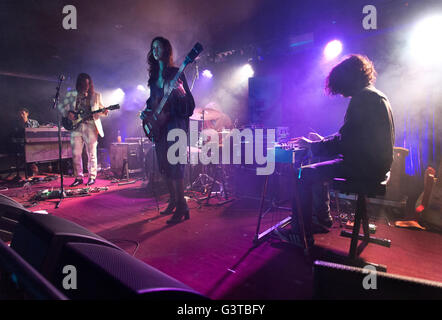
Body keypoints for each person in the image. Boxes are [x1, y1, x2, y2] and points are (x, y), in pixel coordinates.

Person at [277, 54, 395, 247]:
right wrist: (323, 141)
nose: (340, 93)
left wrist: (315, 145)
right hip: (374, 165)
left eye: (341, 85)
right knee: (317, 168)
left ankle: (300, 235)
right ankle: (321, 221)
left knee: (302, 174)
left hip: (365, 168)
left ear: (349, 79)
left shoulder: (362, 99)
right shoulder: (375, 95)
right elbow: (351, 136)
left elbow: (345, 143)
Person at [141, 36, 195, 224]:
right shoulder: (154, 77)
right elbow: (152, 103)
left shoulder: (176, 73)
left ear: (167, 50)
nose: (155, 50)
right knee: (164, 166)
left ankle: (183, 207)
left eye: (159, 47)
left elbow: (189, 103)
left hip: (175, 125)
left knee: (175, 166)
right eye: (152, 47)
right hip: (161, 127)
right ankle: (173, 201)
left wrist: (180, 93)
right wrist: (146, 113)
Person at [59, 73, 108, 187]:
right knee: (76, 153)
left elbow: (101, 110)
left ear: (90, 84)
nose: (86, 86)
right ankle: (79, 177)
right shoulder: (72, 95)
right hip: (76, 126)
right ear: (79, 84)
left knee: (91, 153)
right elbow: (61, 107)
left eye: (88, 84)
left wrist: (105, 112)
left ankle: (92, 176)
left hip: (91, 126)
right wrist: (68, 113)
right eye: (83, 84)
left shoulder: (96, 96)